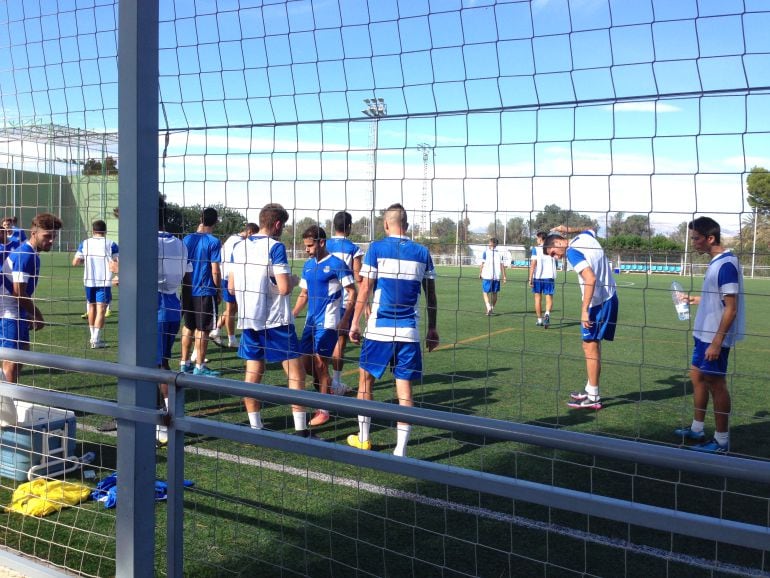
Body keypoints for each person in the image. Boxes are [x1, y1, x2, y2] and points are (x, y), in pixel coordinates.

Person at [347, 203, 439, 457]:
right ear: (407, 225)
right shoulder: (423, 252)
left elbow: (365, 288)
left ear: (386, 224)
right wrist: (432, 328)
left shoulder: (376, 248)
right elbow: (431, 296)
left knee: (365, 382)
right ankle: (400, 449)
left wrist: (355, 322)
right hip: (409, 332)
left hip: (379, 331)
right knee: (404, 389)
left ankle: (364, 438)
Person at [228, 203, 316, 438]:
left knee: (253, 373)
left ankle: (255, 426)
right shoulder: (275, 247)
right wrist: (294, 280)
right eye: (283, 225)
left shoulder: (238, 246)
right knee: (295, 372)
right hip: (275, 319)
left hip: (249, 318)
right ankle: (300, 429)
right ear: (277, 224)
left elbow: (232, 286)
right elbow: (285, 288)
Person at [674, 217, 745, 454]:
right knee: (697, 378)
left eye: (695, 238)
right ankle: (697, 428)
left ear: (710, 238)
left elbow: (731, 307)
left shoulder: (726, 265)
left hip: (714, 338)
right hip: (702, 334)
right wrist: (693, 299)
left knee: (716, 384)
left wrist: (716, 342)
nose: (693, 243)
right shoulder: (717, 262)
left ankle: (722, 440)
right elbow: (718, 298)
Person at [543, 226, 618, 410]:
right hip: (609, 296)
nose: (555, 257)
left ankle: (593, 397)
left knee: (589, 346)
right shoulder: (585, 237)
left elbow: (590, 279)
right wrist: (568, 229)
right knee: (591, 345)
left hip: (597, 303)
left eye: (553, 252)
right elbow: (591, 228)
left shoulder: (572, 252)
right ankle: (591, 388)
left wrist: (584, 309)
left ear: (559, 242)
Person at [292, 225, 356, 427]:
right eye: (305, 246)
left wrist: (345, 319)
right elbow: (303, 294)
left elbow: (352, 291)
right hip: (310, 322)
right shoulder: (308, 265)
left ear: (322, 242)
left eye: (310, 245)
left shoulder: (337, 264)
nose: (307, 249)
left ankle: (324, 410)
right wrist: (291, 315)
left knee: (320, 364)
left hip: (328, 323)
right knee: (305, 365)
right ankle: (329, 390)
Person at [0, 213, 63, 389]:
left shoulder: (31, 253)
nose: (51, 240)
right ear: (34, 233)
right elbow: (18, 292)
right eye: (47, 236)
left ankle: (9, 399)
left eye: (54, 236)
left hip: (17, 311)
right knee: (11, 362)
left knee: (22, 354)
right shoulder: (25, 254)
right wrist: (37, 315)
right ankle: (6, 408)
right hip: (9, 312)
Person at [155, 198, 192, 445]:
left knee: (158, 368)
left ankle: (170, 421)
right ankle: (160, 415)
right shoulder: (179, 243)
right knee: (161, 363)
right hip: (173, 306)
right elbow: (187, 278)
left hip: (154, 307)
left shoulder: (146, 241)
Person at [325, 211, 363, 395]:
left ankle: (323, 381)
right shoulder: (353, 248)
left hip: (324, 299)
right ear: (349, 227)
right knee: (340, 341)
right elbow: (357, 277)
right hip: (345, 301)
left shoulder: (324, 243)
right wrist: (366, 305)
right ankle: (336, 383)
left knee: (323, 339)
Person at [180, 207, 221, 376]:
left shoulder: (186, 239)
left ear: (200, 218)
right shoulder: (213, 241)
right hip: (204, 290)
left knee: (188, 326)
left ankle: (184, 363)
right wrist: (218, 290)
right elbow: (215, 270)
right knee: (203, 329)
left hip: (188, 289)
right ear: (216, 222)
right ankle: (199, 367)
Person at [210, 223, 258, 349]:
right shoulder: (239, 242)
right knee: (231, 309)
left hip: (228, 276)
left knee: (234, 308)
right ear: (250, 232)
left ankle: (216, 330)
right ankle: (232, 339)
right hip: (231, 278)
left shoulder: (232, 238)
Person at [72, 220, 119, 348]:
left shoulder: (85, 243)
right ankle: (95, 339)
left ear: (93, 231)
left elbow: (75, 262)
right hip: (104, 281)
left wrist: (87, 259)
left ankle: (94, 338)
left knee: (91, 308)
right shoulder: (111, 244)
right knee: (101, 310)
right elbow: (117, 262)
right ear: (105, 231)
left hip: (88, 280)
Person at [529, 231, 557, 328]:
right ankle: (547, 314)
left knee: (537, 298)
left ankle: (540, 320)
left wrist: (530, 278)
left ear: (540, 238)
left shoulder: (536, 249)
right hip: (549, 277)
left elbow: (533, 264)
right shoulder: (552, 248)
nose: (536, 240)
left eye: (537, 238)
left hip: (538, 277)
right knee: (549, 297)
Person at [479, 237, 506, 315]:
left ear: (492, 243)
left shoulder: (486, 252)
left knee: (485, 292)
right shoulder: (500, 253)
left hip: (487, 275)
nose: (489, 244)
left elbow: (482, 263)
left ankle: (488, 307)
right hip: (496, 276)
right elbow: (502, 265)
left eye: (490, 242)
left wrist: (480, 273)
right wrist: (504, 276)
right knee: (495, 293)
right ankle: (491, 308)